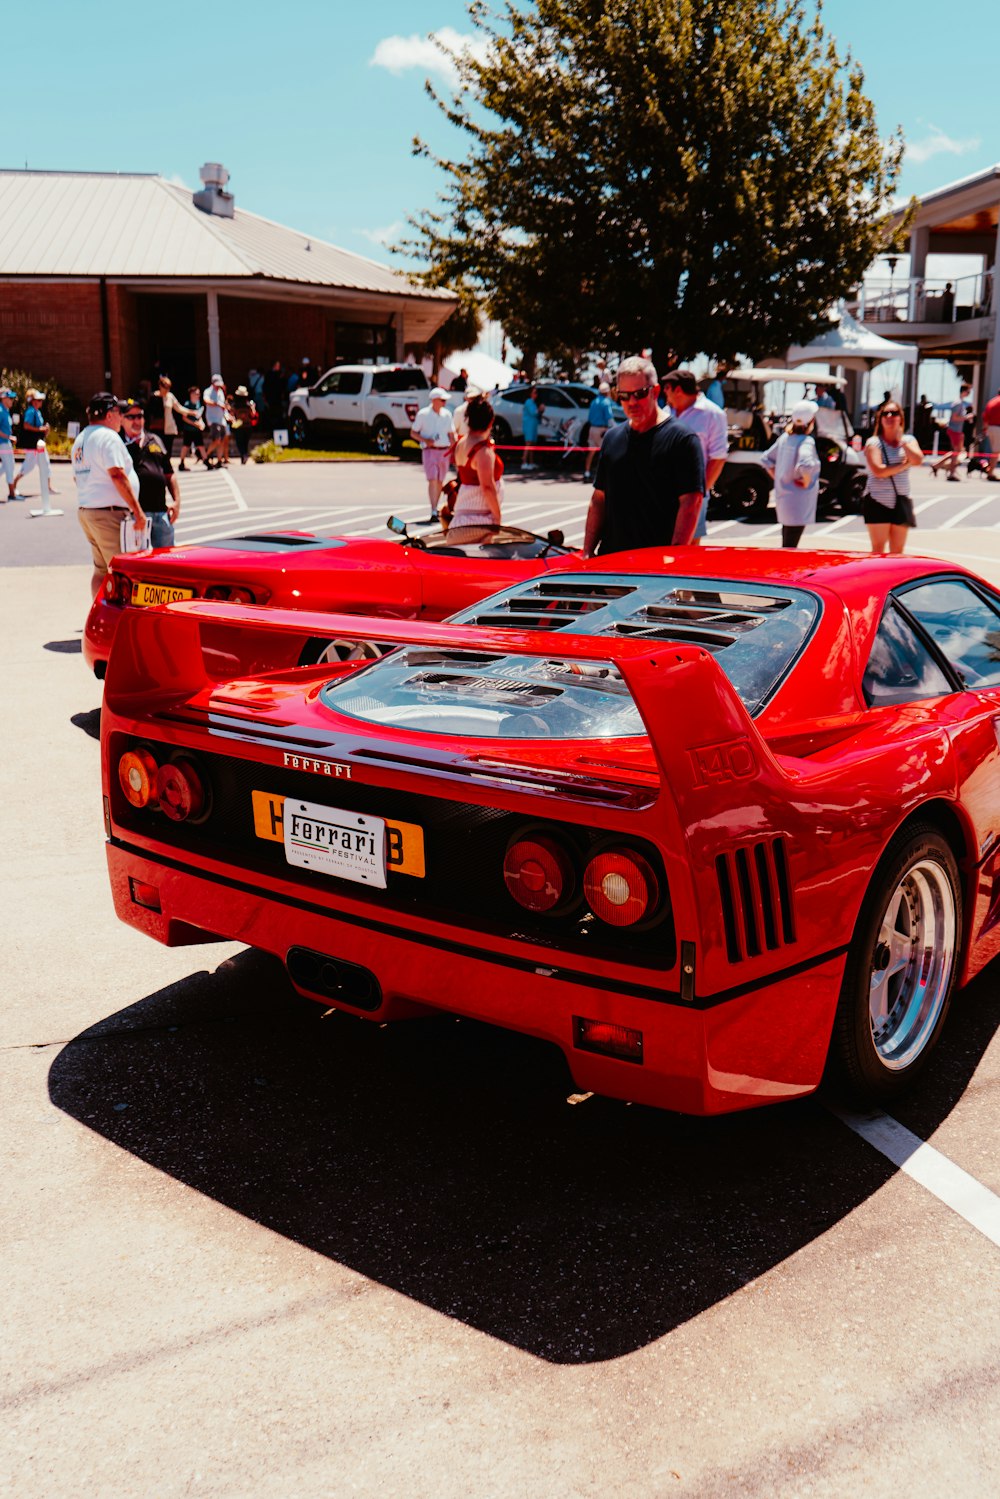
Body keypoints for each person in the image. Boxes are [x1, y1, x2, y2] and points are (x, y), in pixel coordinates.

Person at [582, 355, 704, 557]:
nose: (632, 402)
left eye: (639, 394)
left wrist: (673, 561)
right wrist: (587, 552)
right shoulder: (612, 438)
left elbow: (691, 504)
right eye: (624, 395)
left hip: (655, 572)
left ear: (655, 392)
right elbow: (598, 499)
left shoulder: (682, 440)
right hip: (611, 568)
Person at [71, 392, 144, 598]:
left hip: (89, 511)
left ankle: (99, 615)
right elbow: (117, 475)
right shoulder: (108, 437)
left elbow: (77, 478)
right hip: (108, 514)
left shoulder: (81, 439)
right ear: (109, 414)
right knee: (124, 571)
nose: (121, 417)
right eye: (119, 412)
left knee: (101, 570)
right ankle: (122, 621)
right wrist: (137, 512)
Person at [662, 367, 728, 544]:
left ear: (678, 390)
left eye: (667, 388)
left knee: (687, 549)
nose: (664, 393)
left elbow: (718, 458)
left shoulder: (713, 414)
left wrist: (699, 492)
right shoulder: (667, 412)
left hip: (691, 495)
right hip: (663, 494)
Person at [863, 401, 923, 555]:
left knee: (897, 551)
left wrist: (902, 442)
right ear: (880, 418)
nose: (889, 416)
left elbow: (918, 460)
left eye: (894, 413)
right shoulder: (874, 442)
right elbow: (878, 471)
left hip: (901, 501)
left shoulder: (908, 440)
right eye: (885, 413)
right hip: (878, 501)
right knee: (878, 550)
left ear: (900, 418)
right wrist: (902, 466)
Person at [760, 399, 822, 548]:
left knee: (787, 542)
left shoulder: (785, 438)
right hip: (799, 502)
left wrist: (778, 476)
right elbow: (806, 465)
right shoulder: (807, 441)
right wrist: (806, 481)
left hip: (784, 499)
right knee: (791, 544)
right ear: (811, 421)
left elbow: (766, 458)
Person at [120, 398, 180, 548]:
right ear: (121, 420)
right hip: (135, 515)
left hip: (161, 513)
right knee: (139, 562)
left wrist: (177, 501)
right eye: (131, 417)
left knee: (167, 560)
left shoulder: (155, 440)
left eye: (139, 416)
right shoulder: (118, 444)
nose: (137, 421)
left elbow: (169, 474)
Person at [451, 396, 503, 526]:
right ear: (490, 422)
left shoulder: (460, 444)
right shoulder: (482, 451)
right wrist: (497, 517)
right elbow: (487, 487)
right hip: (479, 518)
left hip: (462, 515)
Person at [410, 386, 456, 524]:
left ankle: (436, 509)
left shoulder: (447, 414)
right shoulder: (423, 414)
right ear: (434, 400)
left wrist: (455, 449)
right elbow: (413, 433)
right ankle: (434, 510)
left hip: (444, 451)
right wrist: (426, 441)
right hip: (430, 451)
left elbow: (451, 433)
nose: (444, 403)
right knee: (433, 480)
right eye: (442, 400)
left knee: (440, 480)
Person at [146, 376, 199, 458]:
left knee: (167, 451)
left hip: (169, 428)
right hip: (157, 428)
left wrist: (191, 412)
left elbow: (179, 408)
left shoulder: (170, 396)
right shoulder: (153, 397)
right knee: (158, 450)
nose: (167, 390)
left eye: (168, 388)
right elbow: (148, 412)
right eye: (165, 388)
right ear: (160, 386)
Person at [931, 383, 973, 481]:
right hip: (954, 430)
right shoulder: (958, 403)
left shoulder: (959, 403)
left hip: (956, 430)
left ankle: (938, 466)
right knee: (956, 452)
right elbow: (954, 418)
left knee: (955, 452)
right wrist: (966, 417)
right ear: (964, 391)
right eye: (968, 391)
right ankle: (951, 473)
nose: (969, 393)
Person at [17, 388, 55, 495]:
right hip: (32, 444)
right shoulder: (30, 411)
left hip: (39, 444)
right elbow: (26, 425)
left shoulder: (37, 412)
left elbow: (38, 428)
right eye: (38, 400)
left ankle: (48, 488)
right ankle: (14, 484)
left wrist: (44, 430)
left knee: (46, 464)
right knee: (28, 466)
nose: (41, 402)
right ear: (33, 401)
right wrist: (40, 429)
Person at [583, 381, 614, 482]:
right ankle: (603, 476)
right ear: (607, 392)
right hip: (601, 430)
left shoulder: (593, 402)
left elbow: (589, 417)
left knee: (591, 452)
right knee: (604, 453)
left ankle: (586, 473)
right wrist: (616, 428)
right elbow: (609, 419)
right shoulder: (606, 402)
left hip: (592, 429)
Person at [202, 375, 231, 468]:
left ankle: (219, 461)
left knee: (222, 441)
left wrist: (227, 416)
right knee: (217, 440)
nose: (218, 386)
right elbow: (206, 401)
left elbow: (223, 406)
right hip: (213, 419)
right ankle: (205, 455)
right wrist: (217, 404)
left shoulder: (221, 392)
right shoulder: (208, 391)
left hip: (221, 419)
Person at [178, 385, 207, 470]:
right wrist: (195, 424)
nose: (198, 395)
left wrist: (201, 423)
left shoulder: (198, 403)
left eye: (199, 394)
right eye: (196, 394)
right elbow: (184, 418)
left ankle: (206, 461)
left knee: (201, 446)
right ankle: (182, 463)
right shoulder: (187, 404)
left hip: (197, 430)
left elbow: (199, 416)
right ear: (191, 394)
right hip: (188, 429)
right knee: (186, 446)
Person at [230, 385, 258, 464]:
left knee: (240, 442)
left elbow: (232, 414)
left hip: (238, 426)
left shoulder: (234, 405)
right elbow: (253, 414)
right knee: (245, 442)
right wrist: (253, 407)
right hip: (248, 425)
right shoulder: (249, 404)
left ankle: (243, 455)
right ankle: (245, 454)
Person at [0, 387, 18, 500]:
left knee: (8, 466)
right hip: (3, 443)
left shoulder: (5, 411)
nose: (12, 400)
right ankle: (12, 493)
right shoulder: (1, 411)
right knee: (9, 466)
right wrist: (9, 437)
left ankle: (12, 492)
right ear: (3, 398)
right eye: (10, 398)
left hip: (6, 443)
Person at [521, 385, 543, 470]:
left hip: (533, 425)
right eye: (534, 392)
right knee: (528, 443)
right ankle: (524, 462)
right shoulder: (529, 402)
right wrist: (540, 409)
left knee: (532, 444)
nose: (536, 394)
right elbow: (533, 412)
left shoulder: (533, 403)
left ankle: (530, 462)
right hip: (528, 425)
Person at [982, 387, 1000, 481]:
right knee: (996, 452)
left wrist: (985, 429)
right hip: (997, 428)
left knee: (995, 451)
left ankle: (989, 469)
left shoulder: (992, 401)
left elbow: (985, 416)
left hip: (990, 428)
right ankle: (990, 473)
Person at [263, 359, 286, 427]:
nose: (279, 367)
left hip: (277, 398)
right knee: (273, 414)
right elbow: (267, 386)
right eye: (278, 366)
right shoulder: (271, 374)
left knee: (278, 414)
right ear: (275, 366)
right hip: (272, 398)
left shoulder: (278, 374)